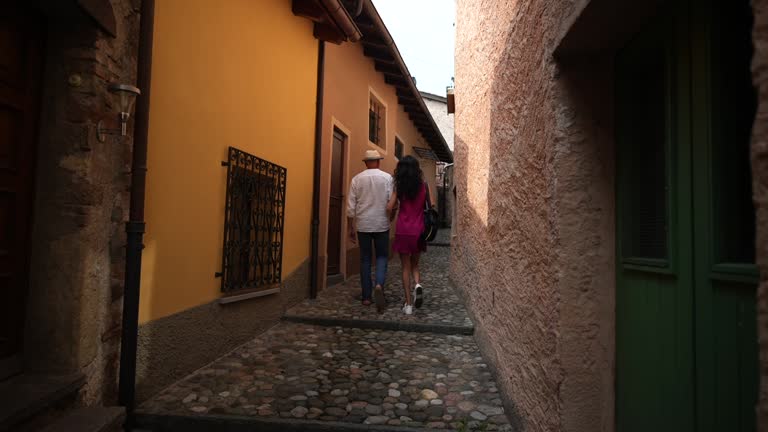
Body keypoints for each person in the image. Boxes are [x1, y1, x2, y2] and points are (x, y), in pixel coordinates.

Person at [347, 149, 393, 312]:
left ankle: (366, 297)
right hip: (381, 224)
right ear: (378, 162)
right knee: (381, 256)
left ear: (366, 163)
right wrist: (391, 217)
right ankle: (379, 284)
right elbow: (391, 202)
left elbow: (351, 206)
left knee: (365, 259)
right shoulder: (387, 178)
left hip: (363, 225)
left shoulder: (356, 180)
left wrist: (350, 227)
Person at [387, 155, 429, 315]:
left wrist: (390, 214)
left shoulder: (399, 187)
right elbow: (430, 206)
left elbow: (390, 206)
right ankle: (417, 285)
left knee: (404, 267)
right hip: (418, 230)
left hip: (403, 230)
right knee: (415, 265)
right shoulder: (424, 186)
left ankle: (409, 305)